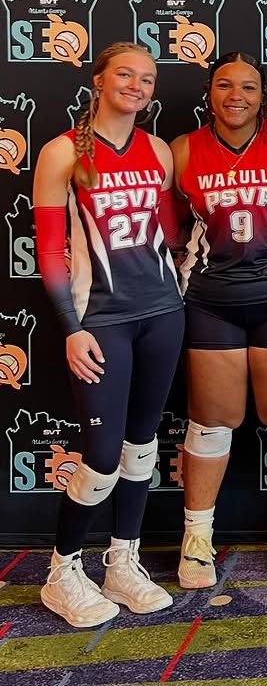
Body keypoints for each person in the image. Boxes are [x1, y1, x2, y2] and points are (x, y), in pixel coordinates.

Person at [32, 42, 183, 627]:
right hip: (100, 322)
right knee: (100, 456)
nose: (137, 86)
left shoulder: (158, 150)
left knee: (141, 445)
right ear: (99, 79)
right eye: (125, 74)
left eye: (147, 79)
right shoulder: (62, 152)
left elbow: (167, 232)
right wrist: (71, 329)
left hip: (163, 313)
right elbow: (50, 252)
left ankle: (123, 562)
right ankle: (62, 572)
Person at [171, 53, 267, 588]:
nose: (237, 96)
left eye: (249, 87)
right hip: (211, 298)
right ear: (209, 91)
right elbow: (170, 224)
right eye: (225, 85)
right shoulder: (183, 149)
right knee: (211, 419)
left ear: (264, 94)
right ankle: (196, 538)